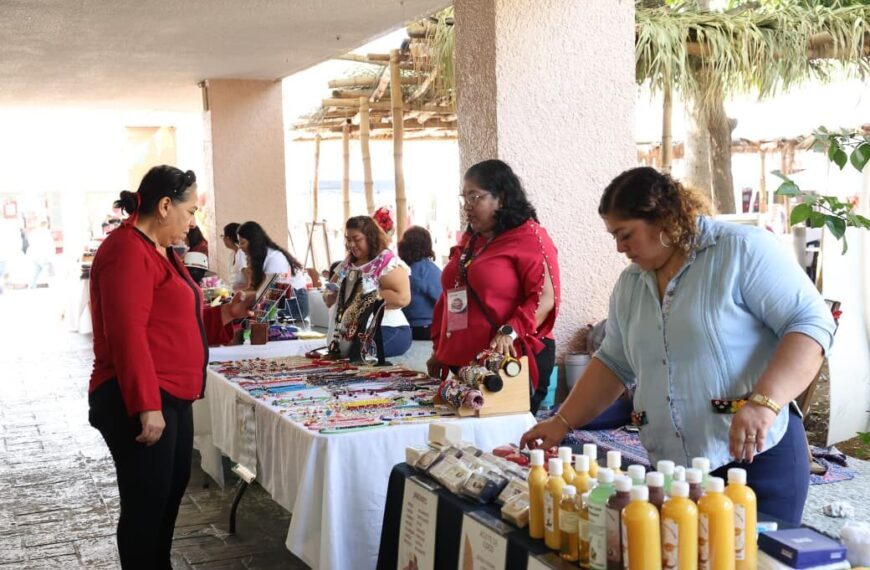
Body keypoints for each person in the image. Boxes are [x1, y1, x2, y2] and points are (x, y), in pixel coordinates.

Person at [521, 166, 836, 524]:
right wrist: (561, 422)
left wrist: (764, 402)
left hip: (755, 462)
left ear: (664, 218)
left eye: (626, 235)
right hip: (675, 471)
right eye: (614, 236)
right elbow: (612, 363)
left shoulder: (741, 250)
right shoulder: (631, 285)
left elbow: (810, 324)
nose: (619, 248)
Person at [88, 165, 252, 568]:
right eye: (191, 210)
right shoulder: (126, 249)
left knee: (166, 495)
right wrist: (146, 405)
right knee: (146, 504)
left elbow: (179, 321)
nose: (193, 221)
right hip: (140, 394)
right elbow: (127, 333)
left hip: (171, 394)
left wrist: (229, 313)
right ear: (164, 205)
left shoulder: (159, 250)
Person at [427, 160, 560, 414]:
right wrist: (443, 350)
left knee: (501, 444)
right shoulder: (473, 240)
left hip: (508, 362)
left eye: (475, 196)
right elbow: (457, 296)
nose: (467, 206)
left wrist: (509, 332)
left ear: (502, 197)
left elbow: (544, 298)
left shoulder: (530, 236)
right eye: (464, 197)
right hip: (465, 363)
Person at [324, 215, 412, 358]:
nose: (351, 244)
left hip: (387, 329)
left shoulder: (386, 261)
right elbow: (330, 290)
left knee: (356, 355)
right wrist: (332, 295)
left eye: (356, 239)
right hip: (349, 332)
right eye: (348, 239)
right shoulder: (348, 263)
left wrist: (358, 297)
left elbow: (402, 297)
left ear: (370, 237)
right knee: (342, 355)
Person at [237, 221, 309, 323]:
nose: (240, 246)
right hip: (277, 300)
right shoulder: (261, 257)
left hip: (294, 303)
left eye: (242, 242)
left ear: (253, 242)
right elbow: (258, 289)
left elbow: (271, 294)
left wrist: (242, 297)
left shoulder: (274, 258)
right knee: (240, 310)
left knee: (243, 315)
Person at [398, 226, 443, 341]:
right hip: (425, 328)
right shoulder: (427, 270)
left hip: (405, 327)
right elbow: (443, 299)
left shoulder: (401, 268)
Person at [221, 222, 247, 291]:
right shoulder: (232, 254)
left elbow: (251, 284)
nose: (223, 239)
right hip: (236, 294)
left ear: (229, 238)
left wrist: (231, 289)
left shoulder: (242, 254)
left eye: (223, 236)